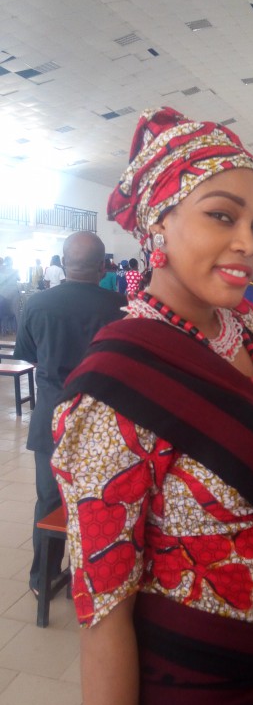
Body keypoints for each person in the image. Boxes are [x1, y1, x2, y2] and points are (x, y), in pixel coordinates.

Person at [51, 107, 253, 705]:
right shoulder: (116, 387)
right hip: (201, 694)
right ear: (158, 221)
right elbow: (105, 614)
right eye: (223, 215)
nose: (250, 244)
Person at [13, 232, 127, 597]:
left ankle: (43, 579)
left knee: (49, 500)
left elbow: (28, 355)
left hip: (51, 416)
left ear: (63, 263)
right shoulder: (120, 306)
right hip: (101, 420)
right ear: (102, 266)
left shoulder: (38, 303)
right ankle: (91, 575)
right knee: (98, 502)